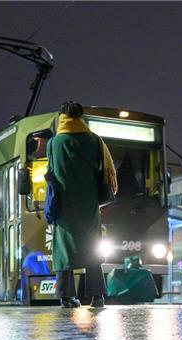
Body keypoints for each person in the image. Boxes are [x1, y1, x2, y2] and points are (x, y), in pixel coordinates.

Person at [48, 100, 117, 308]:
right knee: (92, 246)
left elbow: (52, 171)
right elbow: (99, 167)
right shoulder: (94, 140)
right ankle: (97, 296)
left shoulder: (54, 143)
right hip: (88, 202)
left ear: (62, 117)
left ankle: (66, 297)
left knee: (63, 249)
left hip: (64, 203)